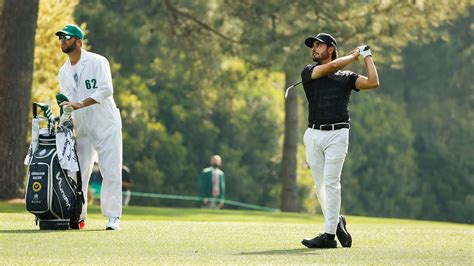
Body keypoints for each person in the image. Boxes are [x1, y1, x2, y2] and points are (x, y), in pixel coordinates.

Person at [300, 33, 379, 248]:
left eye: (319, 45)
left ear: (331, 48)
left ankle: (328, 236)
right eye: (313, 46)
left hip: (338, 133)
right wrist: (353, 56)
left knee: (331, 182)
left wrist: (367, 56)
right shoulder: (309, 71)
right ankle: (337, 222)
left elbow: (373, 82)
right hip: (314, 134)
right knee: (320, 186)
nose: (314, 49)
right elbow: (328, 68)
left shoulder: (347, 77)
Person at [56, 24, 123, 230]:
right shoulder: (63, 72)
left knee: (110, 170)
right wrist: (66, 114)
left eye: (66, 37)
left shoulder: (97, 61)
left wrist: (79, 103)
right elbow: (67, 101)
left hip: (105, 124)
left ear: (78, 41)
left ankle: (113, 217)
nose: (62, 41)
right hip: (81, 127)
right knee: (79, 173)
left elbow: (106, 90)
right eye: (60, 38)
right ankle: (79, 216)